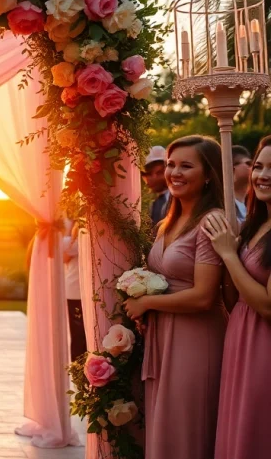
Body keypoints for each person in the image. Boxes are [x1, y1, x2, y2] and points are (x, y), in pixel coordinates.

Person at [123, 135, 228, 459]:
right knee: (163, 426)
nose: (174, 172)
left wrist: (147, 302)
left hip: (195, 339)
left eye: (186, 165)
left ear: (208, 174)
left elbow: (203, 297)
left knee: (185, 428)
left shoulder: (211, 222)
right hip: (162, 337)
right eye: (170, 164)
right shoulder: (166, 223)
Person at [205, 135, 271, 458]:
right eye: (259, 166)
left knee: (255, 426)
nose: (263, 175)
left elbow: (267, 306)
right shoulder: (254, 225)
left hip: (264, 344)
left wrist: (230, 256)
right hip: (239, 337)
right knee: (235, 424)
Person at [62, 220, 87, 361]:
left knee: (78, 332)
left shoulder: (71, 244)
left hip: (74, 292)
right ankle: (78, 363)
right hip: (75, 293)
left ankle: (79, 363)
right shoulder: (77, 243)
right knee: (79, 333)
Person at [144, 146, 170, 234]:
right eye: (145, 174)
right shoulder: (155, 204)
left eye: (149, 174)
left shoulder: (180, 199)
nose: (147, 179)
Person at [232, 145, 252, 221]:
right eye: (248, 163)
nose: (253, 167)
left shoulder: (255, 205)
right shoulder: (222, 207)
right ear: (232, 169)